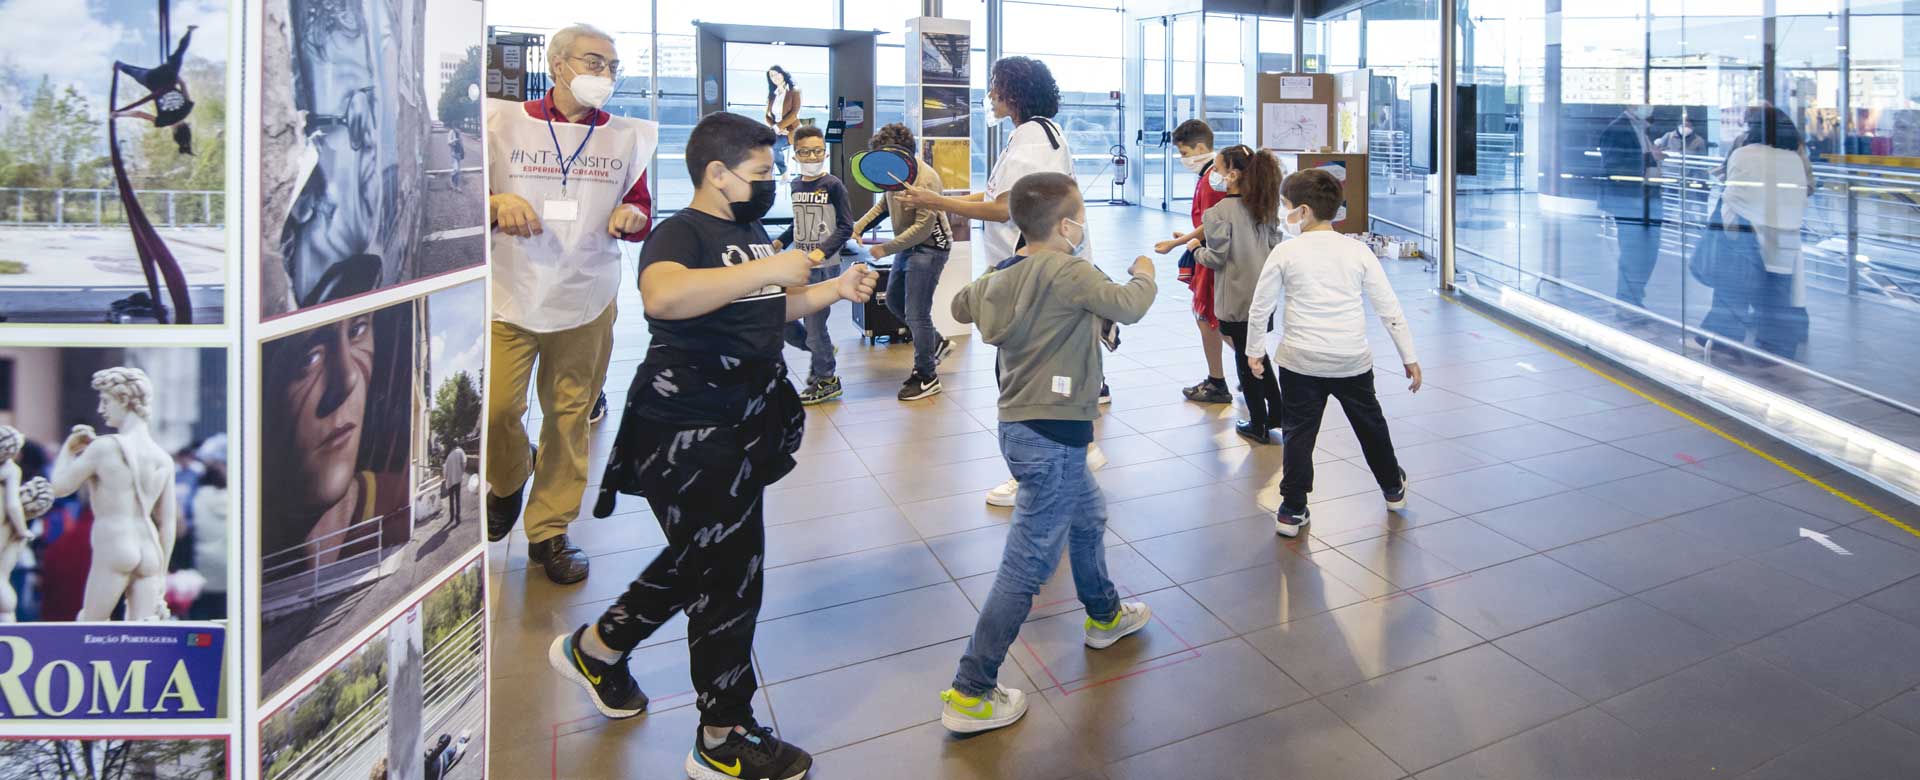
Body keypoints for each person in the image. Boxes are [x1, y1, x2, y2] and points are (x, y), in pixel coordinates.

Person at [549, 111, 877, 780]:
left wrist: (830, 290)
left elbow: (758, 308)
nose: (772, 182)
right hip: (684, 427)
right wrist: (778, 264)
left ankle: (599, 648)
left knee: (706, 553)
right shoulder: (682, 231)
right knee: (730, 577)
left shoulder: (750, 232)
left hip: (744, 421)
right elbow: (665, 297)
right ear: (717, 174)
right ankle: (721, 736)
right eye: (761, 173)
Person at [937, 172, 1155, 734]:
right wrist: (1144, 273)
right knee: (1026, 567)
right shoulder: (1070, 270)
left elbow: (963, 307)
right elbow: (1129, 306)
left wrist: (1007, 279)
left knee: (1089, 516)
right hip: (1057, 436)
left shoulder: (1002, 273)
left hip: (1020, 429)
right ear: (1065, 225)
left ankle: (1104, 614)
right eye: (1078, 216)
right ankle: (971, 691)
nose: (1082, 226)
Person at [484, 24, 656, 584]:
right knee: (497, 409)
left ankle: (549, 531)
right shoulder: (502, 124)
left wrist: (633, 219)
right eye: (594, 62)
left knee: (569, 416)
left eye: (611, 65)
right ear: (559, 65)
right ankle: (509, 477)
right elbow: (465, 197)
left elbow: (639, 208)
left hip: (586, 293)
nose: (604, 74)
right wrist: (495, 200)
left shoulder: (626, 138)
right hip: (511, 292)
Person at [896, 56, 1107, 509]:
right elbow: (995, 195)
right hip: (1041, 274)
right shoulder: (1037, 133)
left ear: (1012, 92)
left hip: (1032, 278)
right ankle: (1078, 450)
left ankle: (1032, 474)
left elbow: (1005, 208)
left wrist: (936, 200)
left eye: (994, 87)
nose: (989, 95)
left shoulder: (1032, 138)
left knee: (1019, 378)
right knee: (1044, 371)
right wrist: (940, 198)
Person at [1246, 169, 1420, 537]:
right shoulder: (1357, 251)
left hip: (1300, 362)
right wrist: (1409, 357)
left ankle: (1292, 509)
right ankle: (1392, 488)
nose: (1283, 213)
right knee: (1370, 426)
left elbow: (1261, 307)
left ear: (1304, 211)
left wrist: (1254, 351)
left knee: (1299, 434)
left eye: (1286, 207)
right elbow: (1388, 308)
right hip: (1351, 360)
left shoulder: (1285, 251)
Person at [51, 368, 177, 621]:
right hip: (150, 550)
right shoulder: (162, 458)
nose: (100, 409)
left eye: (105, 400)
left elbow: (59, 487)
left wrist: (68, 449)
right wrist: (162, 572)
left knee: (91, 627)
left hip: (115, 544)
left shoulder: (104, 447)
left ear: (123, 400)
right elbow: (168, 522)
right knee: (143, 637)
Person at [850, 124, 956, 400]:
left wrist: (884, 249)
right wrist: (857, 227)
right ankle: (936, 344)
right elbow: (884, 205)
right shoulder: (891, 174)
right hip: (908, 246)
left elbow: (923, 228)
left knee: (917, 313)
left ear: (905, 156)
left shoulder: (926, 180)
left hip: (931, 247)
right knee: (895, 302)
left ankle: (926, 376)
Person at [1698, 105, 1812, 359]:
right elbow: (1803, 192)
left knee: (1732, 291)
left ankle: (1722, 342)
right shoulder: (1794, 156)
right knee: (1778, 295)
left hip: (1746, 235)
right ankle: (1778, 349)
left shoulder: (1744, 153)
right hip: (1785, 236)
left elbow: (1733, 193)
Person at [1190, 145, 1286, 444]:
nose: (1213, 177)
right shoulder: (1265, 207)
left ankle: (1258, 424)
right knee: (1258, 353)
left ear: (1231, 175)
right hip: (1264, 295)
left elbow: (1216, 258)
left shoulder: (1218, 213)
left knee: (1246, 364)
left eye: (1217, 171)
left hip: (1234, 297)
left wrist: (1195, 249)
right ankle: (1278, 411)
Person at [771, 125, 856, 405]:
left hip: (825, 267)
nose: (811, 157)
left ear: (825, 152)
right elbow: (798, 224)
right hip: (800, 265)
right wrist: (780, 243)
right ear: (795, 155)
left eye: (817, 151)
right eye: (805, 152)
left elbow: (846, 227)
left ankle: (827, 380)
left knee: (816, 326)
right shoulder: (795, 185)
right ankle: (823, 352)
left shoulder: (833, 185)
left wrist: (822, 251)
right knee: (783, 318)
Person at [1154, 119, 1233, 405]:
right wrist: (1187, 236)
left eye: (1185, 152)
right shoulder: (1211, 174)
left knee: (1210, 319)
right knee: (1213, 320)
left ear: (1200, 147)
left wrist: (1178, 242)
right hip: (1208, 249)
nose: (1183, 159)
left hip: (1213, 255)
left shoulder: (1213, 177)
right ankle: (1237, 375)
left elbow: (1214, 219)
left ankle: (1220, 380)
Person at [1598, 104, 1664, 308]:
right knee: (1635, 252)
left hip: (1648, 198)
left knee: (1648, 252)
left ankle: (1633, 297)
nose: (1648, 107)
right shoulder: (1617, 129)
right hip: (1630, 201)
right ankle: (1628, 301)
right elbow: (1614, 166)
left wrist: (1653, 157)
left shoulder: (1641, 129)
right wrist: (1648, 159)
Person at [187, 434, 227, 620]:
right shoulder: (243, 501)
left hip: (202, 580)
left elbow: (185, 533)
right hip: (232, 581)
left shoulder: (196, 498)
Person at [765, 66, 801, 177]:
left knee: (773, 145)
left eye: (776, 74)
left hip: (791, 131)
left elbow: (794, 114)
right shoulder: (772, 94)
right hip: (777, 130)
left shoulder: (794, 91)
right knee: (760, 145)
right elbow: (767, 116)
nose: (774, 77)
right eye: (771, 76)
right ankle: (766, 175)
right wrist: (776, 128)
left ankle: (784, 171)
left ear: (782, 74)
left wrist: (778, 128)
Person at [442, 444, 467, 527]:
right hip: (457, 479)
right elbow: (464, 463)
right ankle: (458, 518)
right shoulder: (460, 452)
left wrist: (446, 478)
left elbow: (445, 471)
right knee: (457, 499)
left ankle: (451, 517)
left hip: (450, 481)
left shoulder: (449, 456)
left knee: (451, 500)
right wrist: (461, 472)